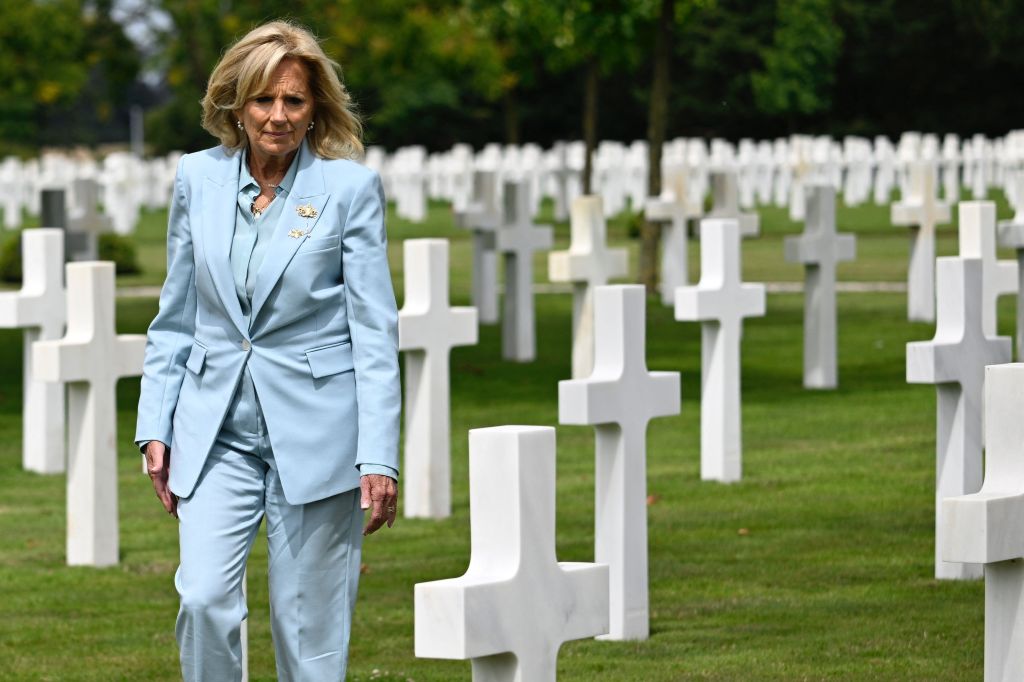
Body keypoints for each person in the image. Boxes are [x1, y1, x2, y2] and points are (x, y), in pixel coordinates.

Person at [134, 20, 400, 681]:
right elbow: (176, 317)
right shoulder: (197, 179)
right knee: (202, 600)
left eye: (294, 101)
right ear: (236, 103)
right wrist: (154, 425)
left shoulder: (349, 191)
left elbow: (373, 330)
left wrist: (379, 454)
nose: (277, 116)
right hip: (216, 430)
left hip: (317, 434)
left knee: (307, 630)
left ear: (315, 110)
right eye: (263, 99)